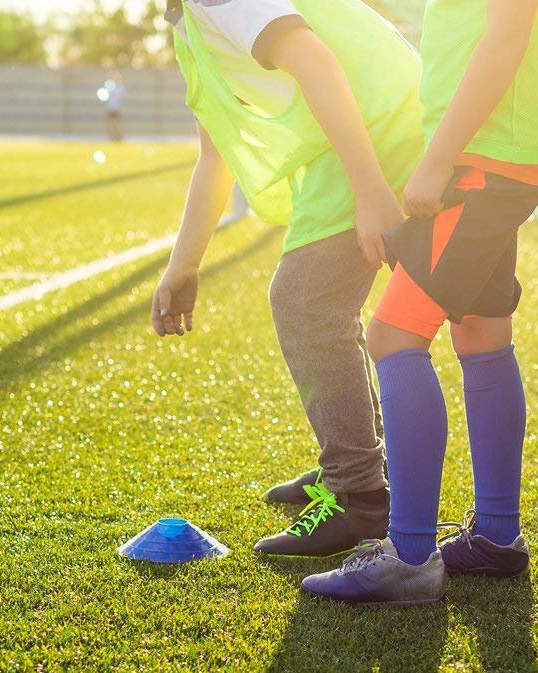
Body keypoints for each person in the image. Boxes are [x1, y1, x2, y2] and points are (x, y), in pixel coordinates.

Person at [302, 0, 538, 605]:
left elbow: (506, 39)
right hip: (498, 150)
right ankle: (499, 539)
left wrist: (437, 157)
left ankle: (409, 556)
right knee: (481, 335)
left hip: (483, 157)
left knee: (393, 338)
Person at [152, 0, 424, 557]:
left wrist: (371, 190)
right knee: (317, 303)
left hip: (380, 124)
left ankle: (361, 496)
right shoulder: (187, 20)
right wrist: (184, 263)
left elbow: (317, 62)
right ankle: (360, 472)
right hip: (374, 121)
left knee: (305, 301)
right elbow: (215, 155)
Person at [104, 74, 126, 142]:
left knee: (117, 123)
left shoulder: (120, 87)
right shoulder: (110, 86)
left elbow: (121, 96)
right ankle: (112, 136)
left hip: (116, 108)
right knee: (109, 123)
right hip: (110, 108)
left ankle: (119, 137)